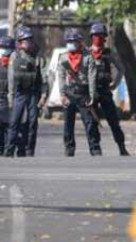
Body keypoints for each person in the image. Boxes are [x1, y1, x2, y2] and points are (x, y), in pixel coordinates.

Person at [4, 26, 47, 158]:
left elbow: (44, 78)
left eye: (29, 40)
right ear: (19, 42)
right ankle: (9, 150)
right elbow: (11, 78)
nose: (27, 43)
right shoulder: (14, 56)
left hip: (33, 94)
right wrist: (10, 97)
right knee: (14, 122)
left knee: (32, 122)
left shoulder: (38, 57)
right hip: (19, 94)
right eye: (24, 40)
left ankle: (29, 151)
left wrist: (44, 95)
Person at [88, 22, 129, 156]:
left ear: (105, 37)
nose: (98, 38)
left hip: (105, 91)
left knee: (114, 121)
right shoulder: (87, 54)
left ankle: (122, 148)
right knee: (92, 123)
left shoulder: (108, 53)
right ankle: (95, 150)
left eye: (100, 36)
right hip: (91, 93)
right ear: (92, 37)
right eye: (95, 35)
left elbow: (121, 69)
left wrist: (115, 84)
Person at [59, 28, 101, 157]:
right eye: (69, 41)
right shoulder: (63, 57)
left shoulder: (88, 57)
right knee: (68, 124)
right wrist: (62, 95)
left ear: (79, 42)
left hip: (84, 94)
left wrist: (92, 96)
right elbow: (60, 76)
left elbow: (92, 77)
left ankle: (95, 149)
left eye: (74, 41)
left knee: (90, 123)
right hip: (70, 93)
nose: (71, 43)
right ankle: (69, 149)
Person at [0, 35, 14, 157]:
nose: (4, 49)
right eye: (2, 47)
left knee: (11, 126)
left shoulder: (15, 62)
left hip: (11, 100)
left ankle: (9, 149)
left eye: (6, 47)